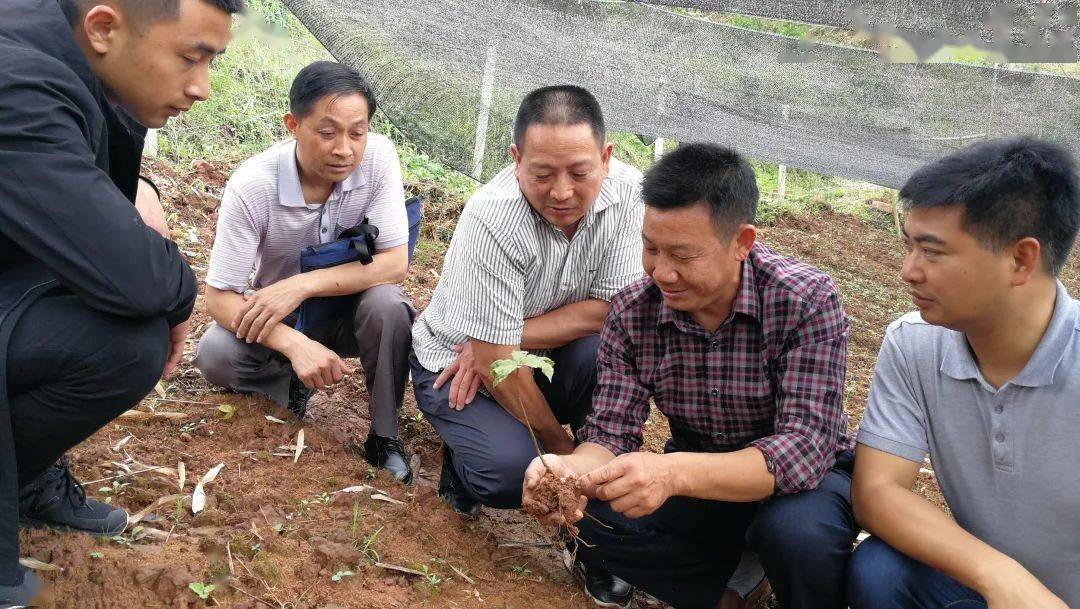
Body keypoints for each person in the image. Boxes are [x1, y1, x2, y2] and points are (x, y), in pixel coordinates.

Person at [523, 143, 858, 609]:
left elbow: (805, 448)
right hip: (703, 480)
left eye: (683, 254)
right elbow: (611, 433)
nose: (662, 272)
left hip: (803, 488)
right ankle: (727, 588)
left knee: (796, 533)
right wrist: (569, 472)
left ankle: (778, 575)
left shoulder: (804, 302)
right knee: (590, 514)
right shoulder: (633, 312)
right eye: (650, 248)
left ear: (742, 242)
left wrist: (672, 472)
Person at [0, 0, 239, 605]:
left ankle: (20, 477)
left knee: (123, 342)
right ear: (104, 28)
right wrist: (183, 293)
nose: (202, 88)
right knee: (133, 320)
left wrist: (142, 190)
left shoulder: (66, 50)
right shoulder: (17, 80)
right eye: (192, 58)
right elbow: (130, 274)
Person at [847, 137, 1079, 609]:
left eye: (932, 252)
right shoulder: (915, 344)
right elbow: (878, 491)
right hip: (989, 592)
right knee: (880, 573)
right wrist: (999, 576)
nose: (908, 271)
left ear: (1021, 259)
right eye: (909, 246)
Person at [410, 85, 645, 517]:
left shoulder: (630, 195)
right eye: (541, 174)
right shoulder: (492, 218)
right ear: (516, 160)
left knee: (608, 350)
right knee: (510, 471)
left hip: (522, 354)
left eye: (579, 173)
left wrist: (496, 339)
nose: (561, 192)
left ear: (606, 157)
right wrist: (563, 452)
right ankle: (464, 467)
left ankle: (601, 517)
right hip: (455, 365)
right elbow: (496, 366)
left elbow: (613, 309)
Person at [194, 61, 414, 482]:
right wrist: (294, 345)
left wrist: (301, 284)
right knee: (215, 353)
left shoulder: (380, 159)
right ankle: (286, 383)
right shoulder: (253, 185)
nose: (344, 149)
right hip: (284, 319)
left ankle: (385, 435)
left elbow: (395, 262)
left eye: (357, 132)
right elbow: (219, 298)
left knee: (390, 305)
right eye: (327, 132)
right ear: (293, 125)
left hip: (351, 311)